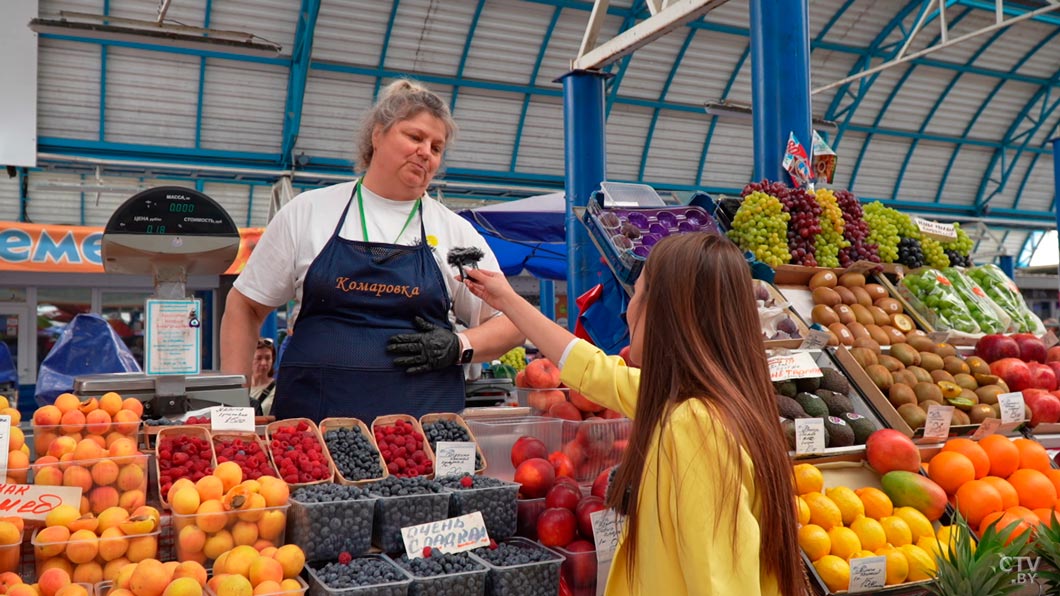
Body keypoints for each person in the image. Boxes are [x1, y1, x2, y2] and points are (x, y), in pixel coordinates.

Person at [462, 233, 804, 595]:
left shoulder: (696, 427)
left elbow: (718, 584)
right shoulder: (699, 399)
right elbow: (594, 371)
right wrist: (507, 300)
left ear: (668, 313)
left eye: (637, 294)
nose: (627, 310)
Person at [220, 79, 524, 422]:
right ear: (377, 135)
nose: (426, 152)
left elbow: (512, 321)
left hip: (423, 436)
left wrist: (459, 346)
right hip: (311, 433)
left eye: (437, 147)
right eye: (415, 137)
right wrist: (234, 410)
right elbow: (245, 305)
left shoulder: (455, 234)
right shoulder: (308, 213)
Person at [249, 338, 277, 416]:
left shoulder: (278, 390)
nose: (264, 363)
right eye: (259, 358)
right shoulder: (242, 387)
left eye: (268, 358)